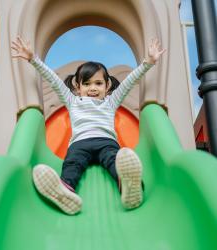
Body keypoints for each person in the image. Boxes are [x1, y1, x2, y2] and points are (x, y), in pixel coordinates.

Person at [11, 36, 165, 215]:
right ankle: (66, 191)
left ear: (107, 86)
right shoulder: (72, 101)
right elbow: (53, 80)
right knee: (72, 164)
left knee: (114, 161)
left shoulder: (111, 102)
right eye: (87, 83)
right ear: (77, 86)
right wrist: (33, 59)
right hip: (79, 144)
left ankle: (130, 187)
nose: (93, 88)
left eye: (98, 83)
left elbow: (129, 82)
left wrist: (148, 62)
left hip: (106, 142)